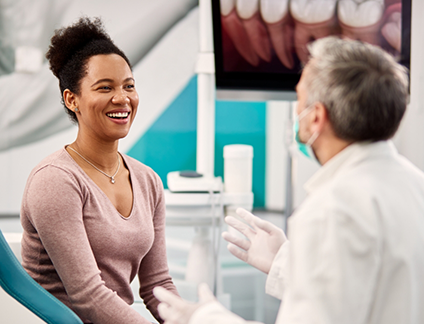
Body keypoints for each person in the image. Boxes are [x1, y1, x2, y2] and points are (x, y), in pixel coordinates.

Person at [153, 36, 424, 324]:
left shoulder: (331, 211)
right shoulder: (415, 186)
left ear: (316, 117)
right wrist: (286, 262)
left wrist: (206, 318)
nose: (297, 112)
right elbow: (371, 291)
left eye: (300, 98)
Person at [20, 17, 178, 324]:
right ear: (72, 99)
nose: (122, 99)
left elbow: (158, 285)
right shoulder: (55, 180)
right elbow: (88, 295)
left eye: (128, 86)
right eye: (105, 88)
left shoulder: (148, 181)